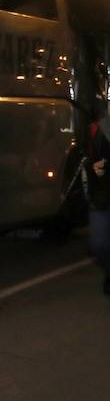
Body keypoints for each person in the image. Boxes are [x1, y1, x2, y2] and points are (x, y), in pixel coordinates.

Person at [88, 105, 110, 297]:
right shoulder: (102, 128)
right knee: (98, 243)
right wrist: (97, 167)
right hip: (104, 195)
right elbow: (93, 158)